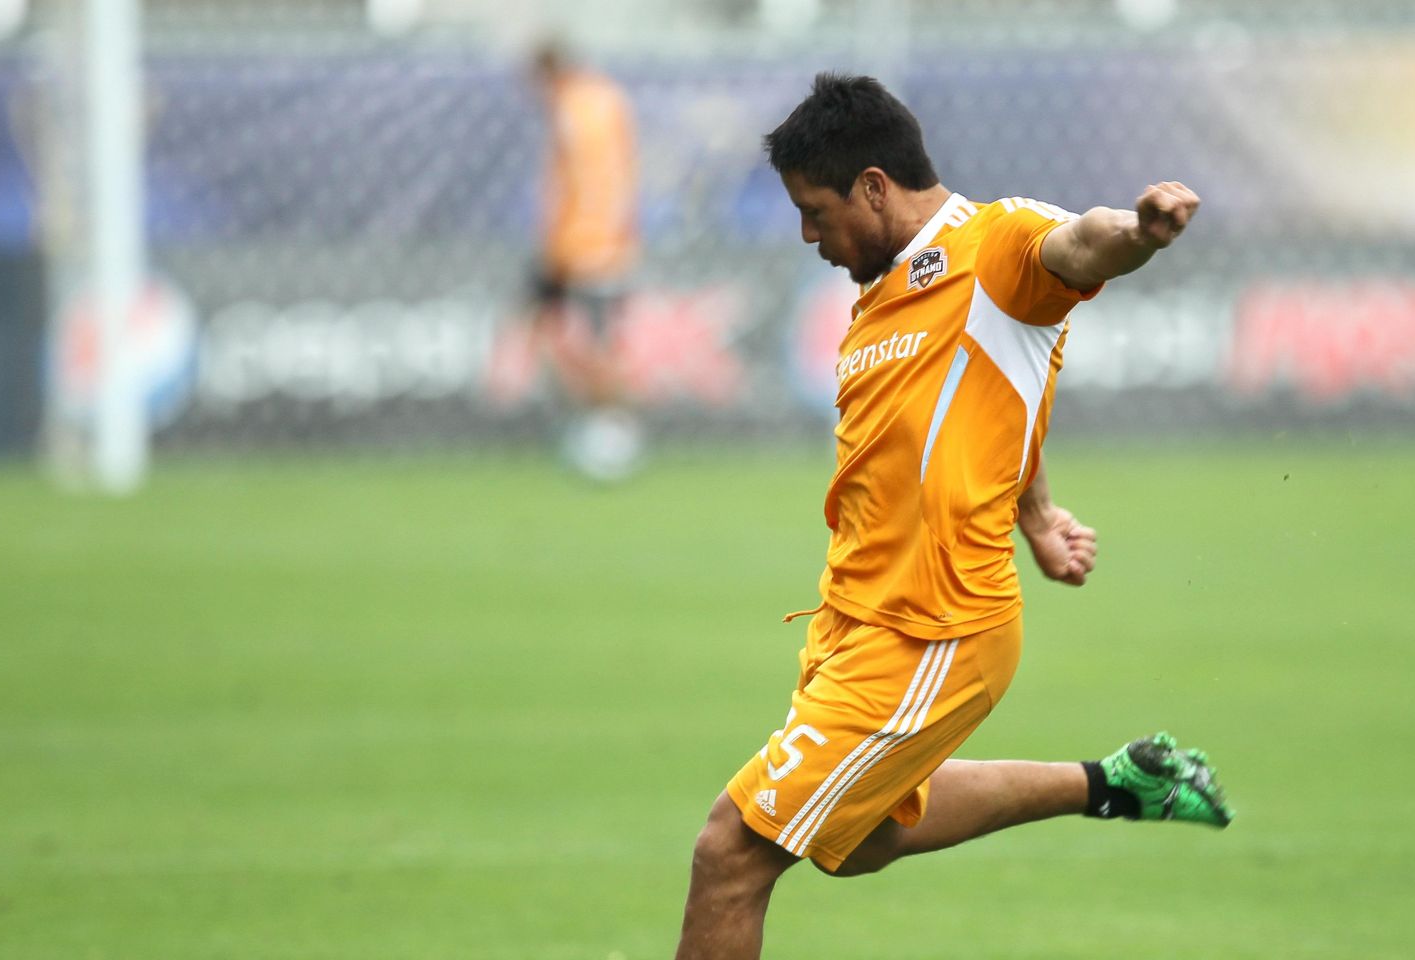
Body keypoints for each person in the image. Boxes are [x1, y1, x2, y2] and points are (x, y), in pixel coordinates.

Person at [673, 74, 1234, 960]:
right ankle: (1114, 783)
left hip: (934, 626)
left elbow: (1083, 243)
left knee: (731, 852)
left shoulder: (995, 243)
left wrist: (1138, 233)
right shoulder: (884, 289)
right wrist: (1036, 511)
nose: (809, 236)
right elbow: (995, 397)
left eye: (815, 212)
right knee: (861, 837)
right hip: (856, 619)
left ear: (872, 186)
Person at [527, 42, 643, 480]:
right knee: (592, 347)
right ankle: (609, 431)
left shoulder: (574, 109)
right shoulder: (606, 99)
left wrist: (562, 246)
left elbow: (583, 186)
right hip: (605, 244)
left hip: (585, 249)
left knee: (584, 349)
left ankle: (613, 433)